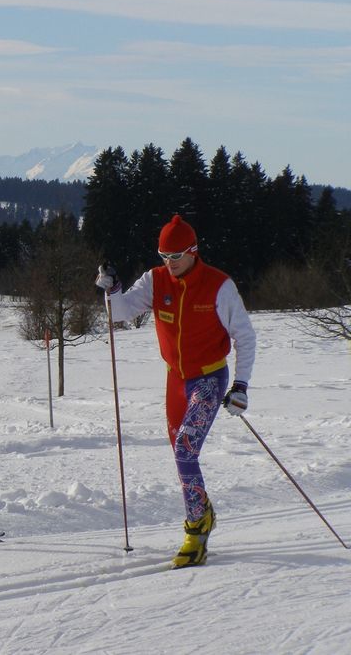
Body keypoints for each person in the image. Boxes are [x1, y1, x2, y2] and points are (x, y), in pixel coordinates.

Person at [95, 214, 256, 568]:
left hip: (209, 379)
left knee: (185, 451)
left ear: (194, 251)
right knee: (183, 457)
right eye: (164, 255)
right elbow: (119, 312)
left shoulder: (219, 286)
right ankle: (204, 511)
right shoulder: (155, 281)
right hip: (175, 382)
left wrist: (240, 385)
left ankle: (196, 529)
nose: (170, 263)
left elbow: (245, 336)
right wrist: (113, 287)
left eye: (176, 256)